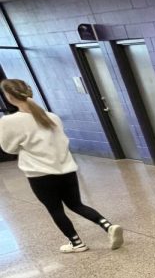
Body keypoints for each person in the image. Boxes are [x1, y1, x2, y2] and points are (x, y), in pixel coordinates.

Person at [0, 79, 123, 253]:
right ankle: (108, 226)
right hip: (66, 170)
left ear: (10, 97)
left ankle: (76, 243)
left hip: (40, 174)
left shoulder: (9, 121)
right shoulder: (52, 117)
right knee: (76, 204)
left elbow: (8, 148)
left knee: (55, 209)